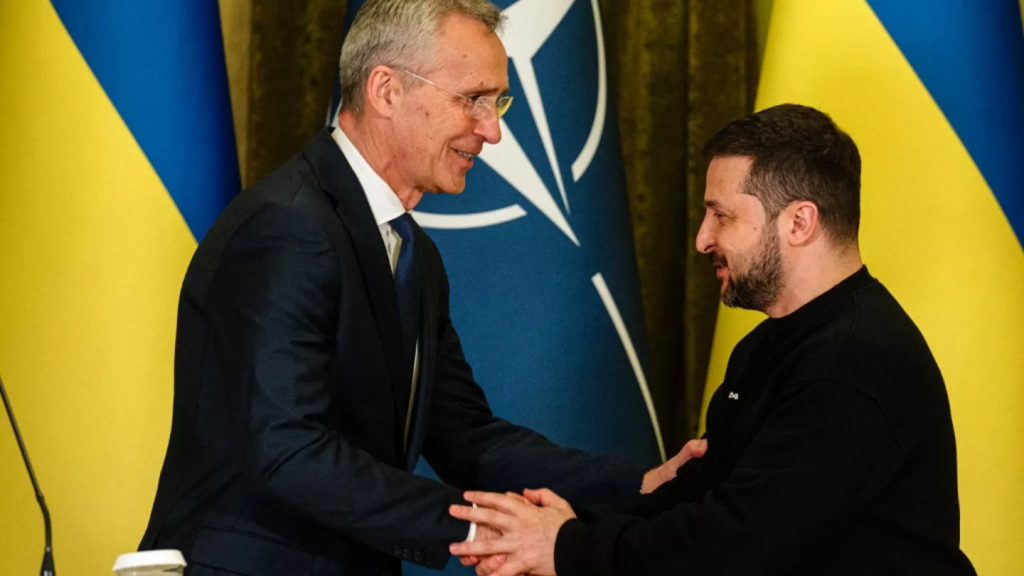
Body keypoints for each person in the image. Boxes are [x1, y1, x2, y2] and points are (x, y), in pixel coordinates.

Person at [138, 1, 697, 575]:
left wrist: (640, 483)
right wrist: (480, 531)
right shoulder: (288, 227)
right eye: (472, 99)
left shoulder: (412, 252)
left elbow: (467, 439)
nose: (493, 130)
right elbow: (288, 450)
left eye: (498, 102)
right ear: (386, 91)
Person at [449, 104, 978, 575]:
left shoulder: (856, 362)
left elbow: (735, 546)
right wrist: (561, 529)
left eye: (721, 215)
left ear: (799, 222)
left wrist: (566, 547)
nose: (703, 239)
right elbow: (697, 501)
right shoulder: (768, 346)